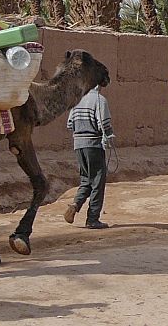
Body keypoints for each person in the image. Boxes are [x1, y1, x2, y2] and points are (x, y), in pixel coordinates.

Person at [64, 85, 114, 229]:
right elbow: (104, 123)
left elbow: (69, 124)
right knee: (98, 180)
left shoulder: (77, 100)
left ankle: (75, 204)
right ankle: (92, 219)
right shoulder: (99, 99)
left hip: (78, 145)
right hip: (93, 144)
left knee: (86, 179)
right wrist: (108, 136)